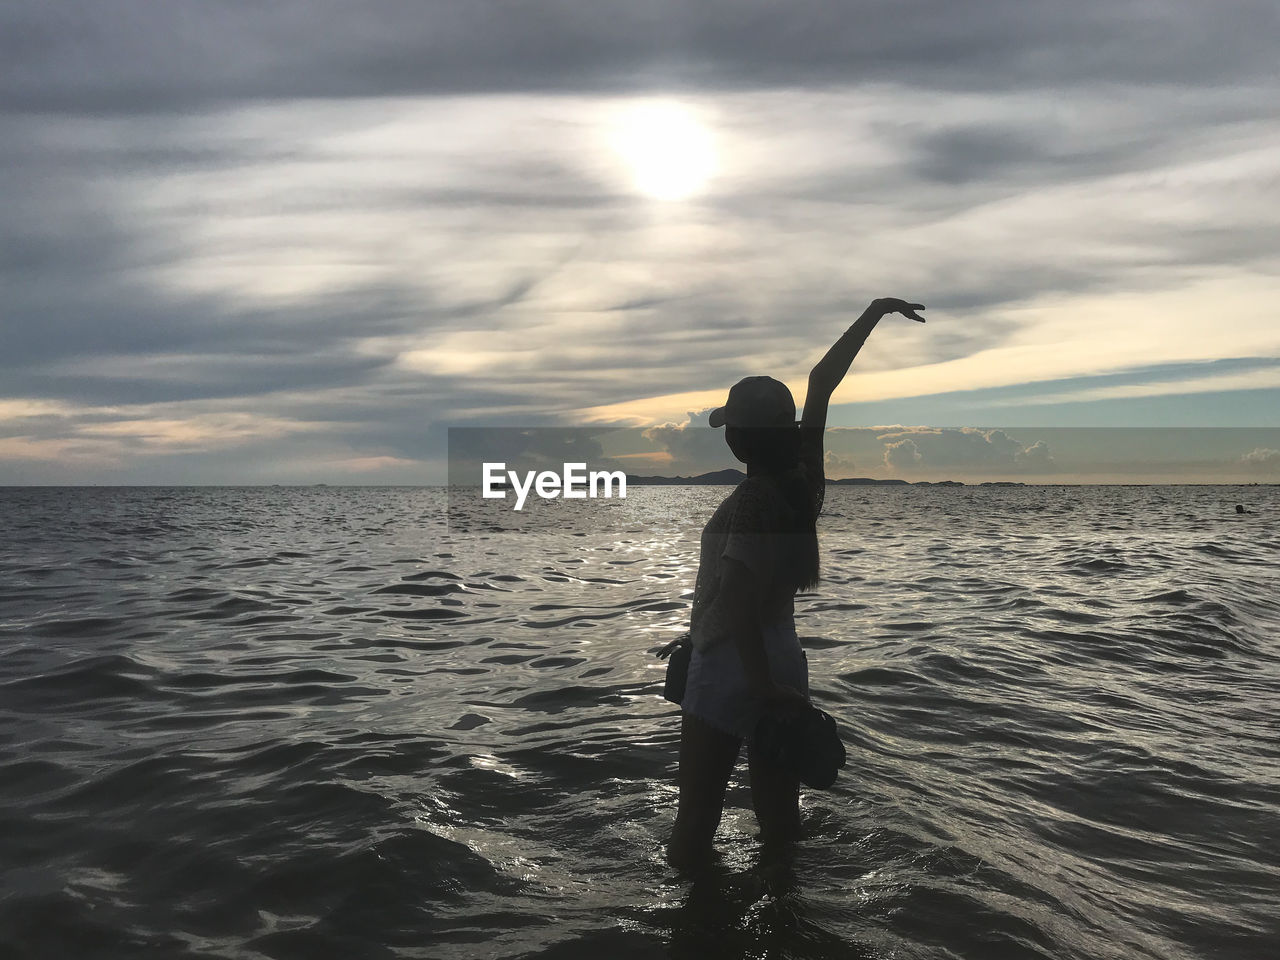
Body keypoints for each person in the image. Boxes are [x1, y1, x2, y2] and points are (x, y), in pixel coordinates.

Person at [667, 297, 927, 871]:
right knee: (781, 824)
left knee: (693, 831)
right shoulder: (804, 482)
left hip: (741, 667)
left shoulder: (755, 499)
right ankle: (787, 923)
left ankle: (694, 935)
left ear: (736, 440)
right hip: (782, 657)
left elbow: (736, 604)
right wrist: (877, 311)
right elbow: (821, 384)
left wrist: (750, 683)